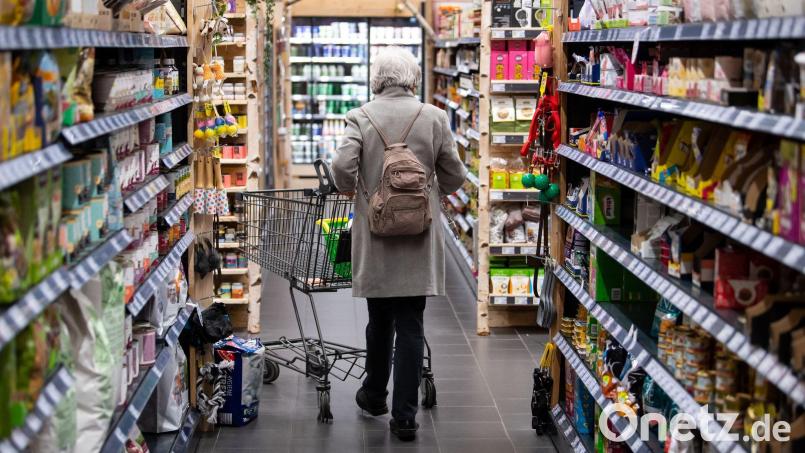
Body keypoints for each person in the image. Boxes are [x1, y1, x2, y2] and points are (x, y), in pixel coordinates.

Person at [331, 46, 466, 441]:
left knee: (379, 320)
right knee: (411, 323)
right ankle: (404, 417)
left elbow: (341, 169)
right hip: (419, 237)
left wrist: (356, 189)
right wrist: (429, 187)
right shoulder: (434, 117)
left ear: (376, 79)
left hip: (376, 237)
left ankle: (374, 395)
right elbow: (455, 176)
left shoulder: (360, 116)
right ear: (412, 79)